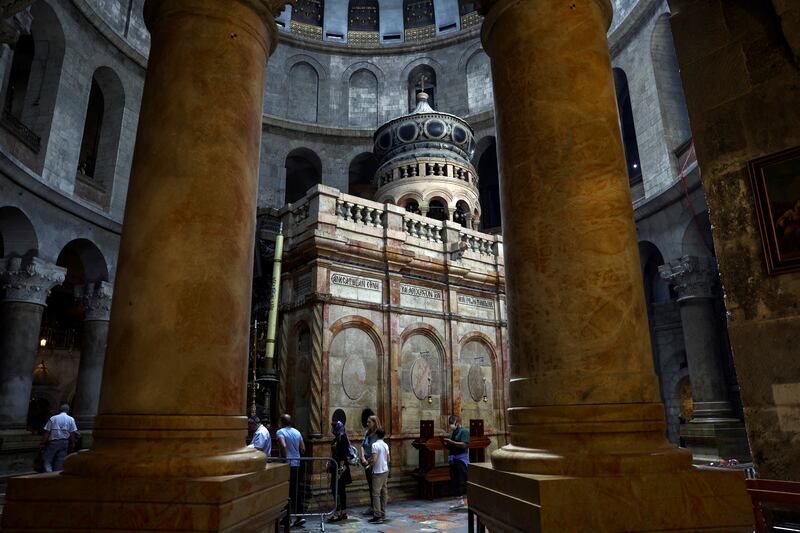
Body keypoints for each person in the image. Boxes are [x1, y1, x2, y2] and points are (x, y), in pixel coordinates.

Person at [277, 414, 306, 528]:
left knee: (286, 492)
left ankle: (286, 518)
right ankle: (299, 516)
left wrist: (285, 459)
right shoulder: (297, 432)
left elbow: (283, 445)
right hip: (296, 464)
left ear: (281, 422)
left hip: (287, 465)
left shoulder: (280, 432)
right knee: (296, 491)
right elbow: (303, 448)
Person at [441, 414, 469, 509]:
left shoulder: (464, 431)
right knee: (455, 479)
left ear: (457, 423)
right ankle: (459, 500)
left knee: (462, 479)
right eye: (449, 424)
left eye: (452, 424)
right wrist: (444, 442)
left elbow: (464, 445)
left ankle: (467, 499)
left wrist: (451, 442)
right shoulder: (452, 433)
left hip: (461, 459)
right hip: (453, 458)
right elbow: (450, 446)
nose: (450, 425)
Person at [40, 404, 78, 473]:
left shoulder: (53, 418)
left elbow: (47, 432)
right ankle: (56, 475)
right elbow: (72, 433)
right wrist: (73, 443)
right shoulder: (71, 419)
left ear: (59, 410)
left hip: (53, 442)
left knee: (47, 460)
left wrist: (43, 443)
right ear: (68, 411)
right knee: (60, 461)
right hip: (65, 442)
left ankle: (48, 475)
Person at [329, 419, 352, 522]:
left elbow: (342, 453)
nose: (332, 429)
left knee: (337, 490)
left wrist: (341, 467)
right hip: (337, 465)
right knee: (339, 490)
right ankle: (342, 512)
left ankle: (339, 513)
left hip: (340, 467)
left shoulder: (342, 437)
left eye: (333, 427)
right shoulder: (339, 436)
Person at [367, 428, 389, 524]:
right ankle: (383, 513)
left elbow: (374, 459)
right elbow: (389, 459)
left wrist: (369, 465)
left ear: (376, 435)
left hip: (377, 472)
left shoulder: (375, 445)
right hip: (385, 470)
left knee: (376, 494)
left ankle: (377, 515)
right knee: (384, 492)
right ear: (384, 435)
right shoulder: (386, 445)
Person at [360, 414, 380, 516]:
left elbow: (377, 450)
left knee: (375, 487)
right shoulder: (367, 433)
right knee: (370, 485)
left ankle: (377, 508)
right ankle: (372, 506)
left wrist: (369, 461)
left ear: (375, 423)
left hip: (374, 463)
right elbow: (362, 445)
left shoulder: (378, 435)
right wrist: (363, 458)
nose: (367, 424)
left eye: (369, 422)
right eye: (367, 422)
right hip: (366, 462)